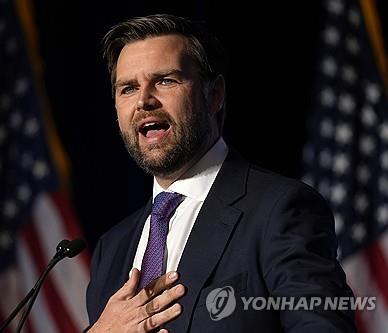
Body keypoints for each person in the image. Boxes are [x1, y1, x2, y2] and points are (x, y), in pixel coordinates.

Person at [86, 14, 356, 332]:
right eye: (128, 88)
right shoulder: (110, 249)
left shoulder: (280, 209)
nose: (144, 100)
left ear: (214, 95)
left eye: (165, 80)